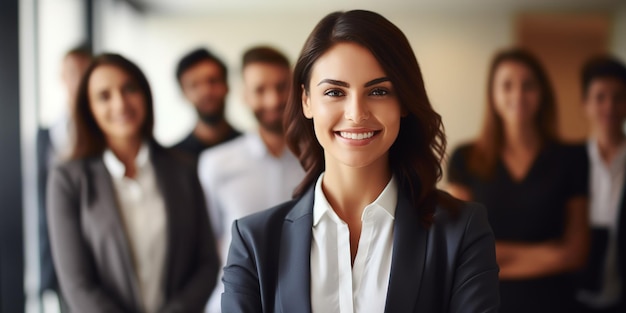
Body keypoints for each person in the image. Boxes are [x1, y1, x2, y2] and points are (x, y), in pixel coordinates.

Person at [221, 10, 500, 313]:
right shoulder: (253, 241)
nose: (356, 113)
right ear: (306, 101)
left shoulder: (461, 231)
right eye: (334, 92)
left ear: (403, 101)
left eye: (378, 91)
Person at [47, 53, 220, 313]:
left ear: (145, 95)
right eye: (104, 96)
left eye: (129, 89)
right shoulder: (67, 180)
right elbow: (76, 283)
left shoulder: (183, 169)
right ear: (89, 108)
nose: (120, 104)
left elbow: (206, 264)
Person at [447, 48, 589, 313]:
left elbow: (577, 253)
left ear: (542, 92)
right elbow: (460, 249)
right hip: (485, 303)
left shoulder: (573, 158)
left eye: (528, 85)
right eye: (507, 85)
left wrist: (491, 261)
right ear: (493, 94)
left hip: (555, 303)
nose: (518, 95)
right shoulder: (465, 158)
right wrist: (552, 253)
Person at [198, 46, 305, 313]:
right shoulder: (215, 163)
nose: (273, 100)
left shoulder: (318, 161)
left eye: (281, 87)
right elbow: (205, 245)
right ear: (244, 95)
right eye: (260, 90)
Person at [37, 46, 92, 312]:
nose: (77, 79)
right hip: (60, 258)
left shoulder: (108, 134)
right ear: (61, 77)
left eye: (84, 72)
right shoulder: (47, 136)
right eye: (71, 73)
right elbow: (39, 207)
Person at [576, 55, 626, 313]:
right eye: (600, 97)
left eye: (618, 97)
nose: (609, 106)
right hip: (575, 296)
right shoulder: (569, 161)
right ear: (586, 103)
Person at [172, 48, 241, 159]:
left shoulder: (254, 149)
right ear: (184, 94)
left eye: (213, 81)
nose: (206, 92)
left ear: (227, 85)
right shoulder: (174, 158)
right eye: (194, 85)